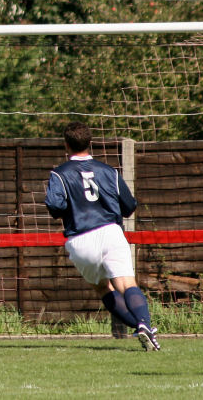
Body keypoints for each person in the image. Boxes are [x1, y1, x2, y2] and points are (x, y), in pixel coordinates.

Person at [44, 121, 160, 351]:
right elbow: (129, 206)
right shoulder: (109, 172)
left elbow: (55, 207)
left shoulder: (58, 174)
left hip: (80, 238)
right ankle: (144, 323)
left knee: (102, 288)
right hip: (110, 232)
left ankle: (140, 327)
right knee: (126, 283)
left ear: (66, 145)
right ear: (90, 143)